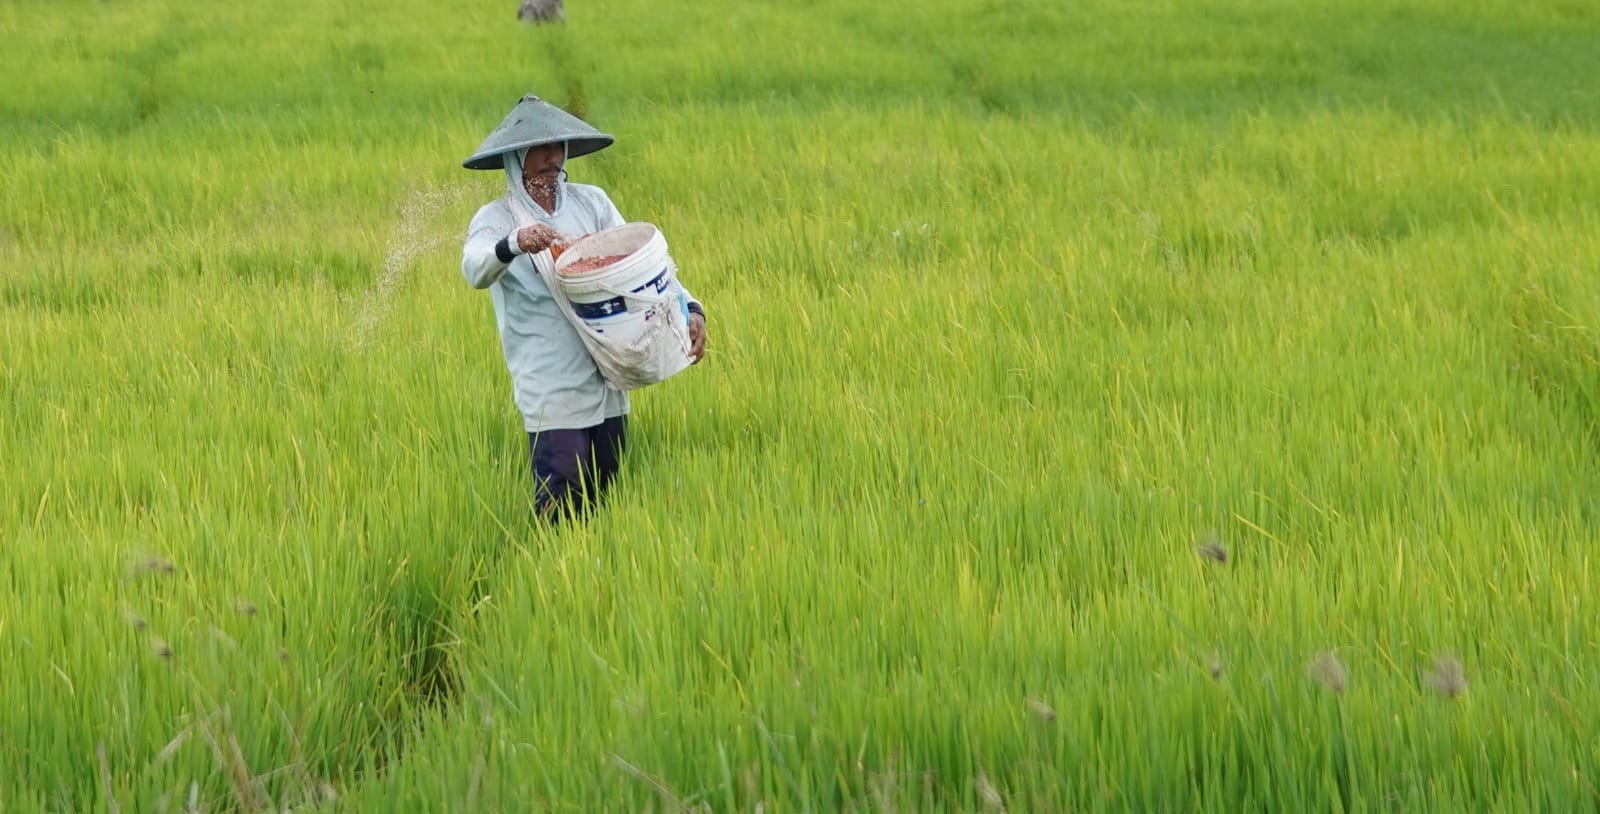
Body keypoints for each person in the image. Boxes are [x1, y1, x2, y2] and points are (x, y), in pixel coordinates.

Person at [460, 94, 708, 520]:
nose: (551, 158)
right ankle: (554, 579)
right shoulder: (499, 218)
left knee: (607, 495)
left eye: (557, 146)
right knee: (562, 500)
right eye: (539, 149)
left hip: (608, 372)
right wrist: (514, 245)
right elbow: (474, 268)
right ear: (515, 157)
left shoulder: (590, 203)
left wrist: (690, 307)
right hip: (550, 386)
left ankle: (593, 581)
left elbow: (640, 264)